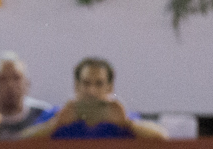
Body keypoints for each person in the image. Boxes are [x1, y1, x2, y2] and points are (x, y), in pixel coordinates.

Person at [21, 57, 168, 140]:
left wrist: (127, 123)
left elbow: (161, 137)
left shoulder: (119, 116)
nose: (91, 90)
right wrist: (55, 125)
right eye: (86, 83)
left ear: (110, 87)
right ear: (76, 86)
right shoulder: (58, 114)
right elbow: (23, 140)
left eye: (99, 84)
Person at [0, 52, 52, 140]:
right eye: (2, 79)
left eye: (16, 78)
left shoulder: (42, 114)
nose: (10, 85)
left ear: (27, 84)